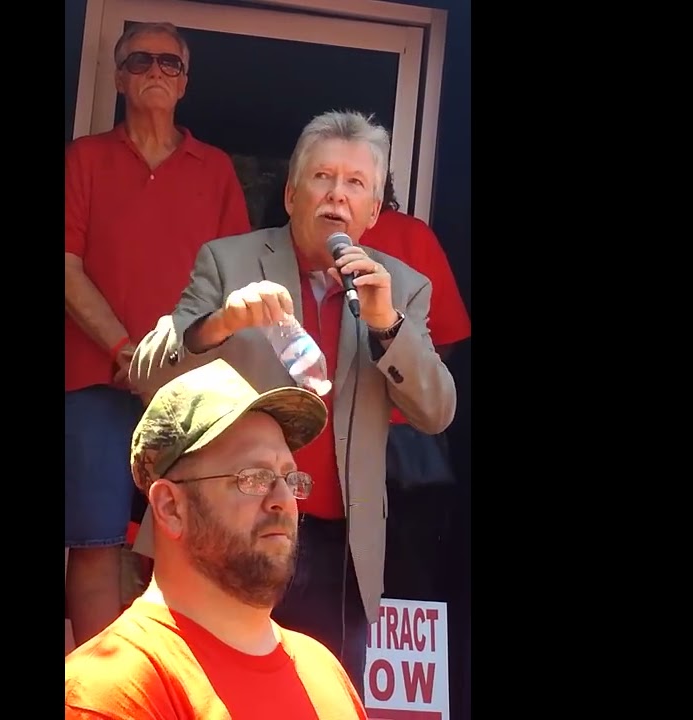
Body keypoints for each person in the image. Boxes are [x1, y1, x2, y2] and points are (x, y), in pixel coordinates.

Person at [128, 110, 458, 694]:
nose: (337, 195)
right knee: (209, 695)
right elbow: (146, 374)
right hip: (229, 529)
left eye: (355, 183)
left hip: (338, 547)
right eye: (322, 177)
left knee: (318, 696)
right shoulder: (228, 261)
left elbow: (437, 412)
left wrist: (387, 326)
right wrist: (220, 324)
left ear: (373, 212)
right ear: (290, 193)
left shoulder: (403, 287)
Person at [64, 21, 252, 648]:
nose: (155, 70)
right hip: (94, 378)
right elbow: (66, 267)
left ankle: (173, 678)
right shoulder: (83, 158)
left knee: (188, 540)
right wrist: (126, 353)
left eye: (169, 63)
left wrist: (168, 366)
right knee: (93, 542)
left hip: (190, 388)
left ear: (184, 82)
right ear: (119, 77)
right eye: (140, 60)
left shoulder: (216, 168)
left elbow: (233, 282)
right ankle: (96, 686)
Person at [65, 359, 368, 720]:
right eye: (253, 477)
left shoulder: (324, 672)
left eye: (290, 478)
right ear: (170, 507)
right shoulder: (110, 692)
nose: (284, 499)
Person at [357, 172, 471, 600]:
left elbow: (448, 333)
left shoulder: (409, 235)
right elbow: (447, 340)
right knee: (406, 579)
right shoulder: (414, 235)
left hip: (397, 444)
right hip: (401, 439)